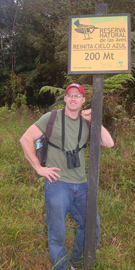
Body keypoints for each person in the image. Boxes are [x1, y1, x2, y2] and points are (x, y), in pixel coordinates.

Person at [19, 83, 114, 270]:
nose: (73, 98)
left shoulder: (87, 123)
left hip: (82, 184)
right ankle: (62, 267)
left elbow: (108, 143)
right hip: (57, 184)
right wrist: (39, 168)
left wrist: (94, 118)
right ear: (64, 98)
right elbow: (25, 139)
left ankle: (77, 263)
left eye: (77, 96)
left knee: (91, 227)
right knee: (57, 233)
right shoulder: (51, 118)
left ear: (83, 100)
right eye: (69, 95)